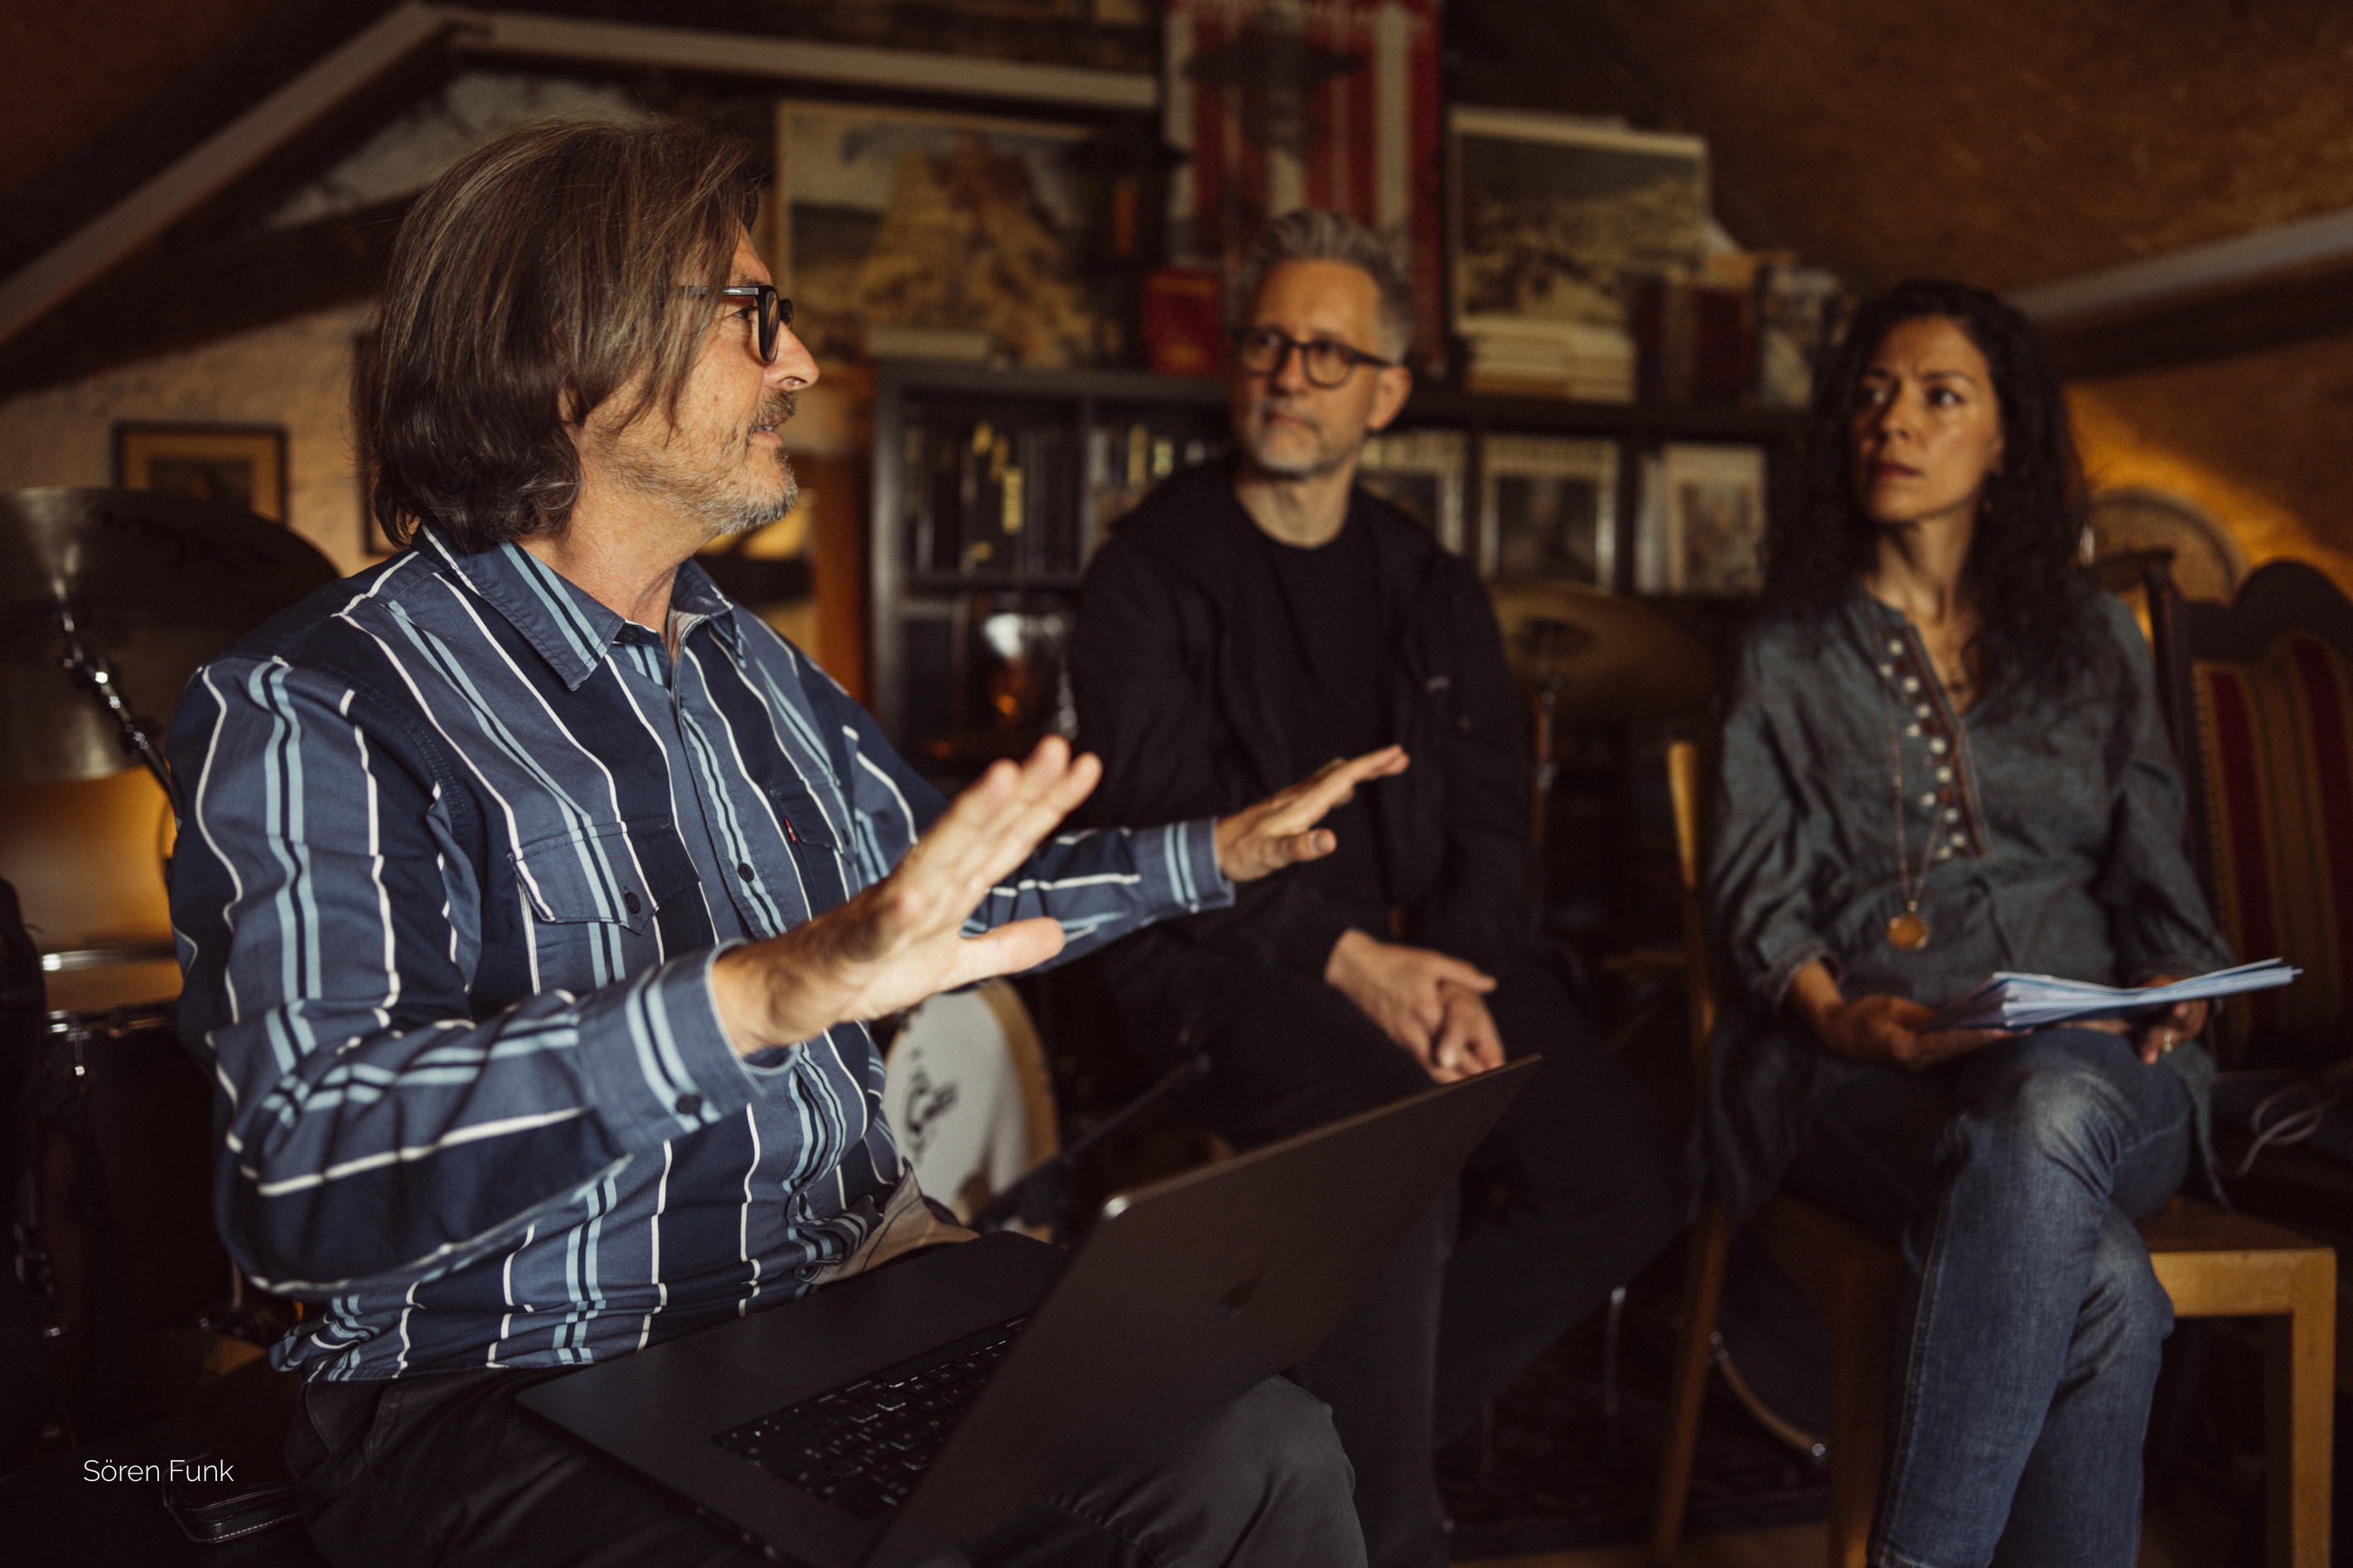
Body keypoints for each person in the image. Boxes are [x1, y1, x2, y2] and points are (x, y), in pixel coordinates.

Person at [166, 118, 1399, 1568]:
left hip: (836, 1289)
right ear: (567, 353)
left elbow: (940, 902)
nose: (799, 363)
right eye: (753, 315)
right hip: (498, 1379)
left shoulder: (750, 666)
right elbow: (302, 1176)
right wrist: (753, 997)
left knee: (1259, 1450)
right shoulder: (316, 700)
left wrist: (1216, 854)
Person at [1067, 210, 1685, 1568]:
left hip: (1428, 951)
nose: (1289, 374)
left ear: (1388, 392)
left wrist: (1452, 976)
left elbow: (1493, 830)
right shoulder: (1147, 574)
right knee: (1397, 1148)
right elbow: (1165, 838)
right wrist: (1360, 966)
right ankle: (1386, 1533)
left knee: (1627, 1176)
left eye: (1328, 353)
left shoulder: (1432, 583)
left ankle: (1322, 1457)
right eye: (1268, 342)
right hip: (1220, 964)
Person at [1701, 277, 2232, 1566]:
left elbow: (2165, 891)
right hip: (1867, 1075)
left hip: (2100, 1072)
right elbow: (1756, 894)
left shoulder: (2095, 638)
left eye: (1941, 395)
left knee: (2049, 1102)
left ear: (2007, 439)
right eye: (1874, 394)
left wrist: (2180, 985)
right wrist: (1844, 1017)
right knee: (2101, 1281)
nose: (1894, 419)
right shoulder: (1787, 651)